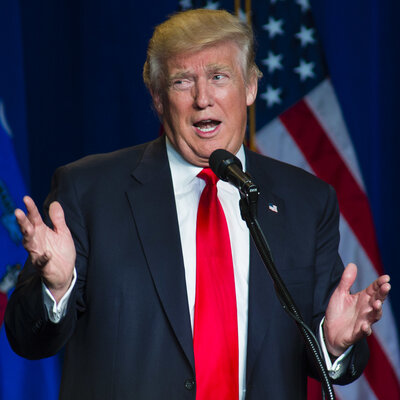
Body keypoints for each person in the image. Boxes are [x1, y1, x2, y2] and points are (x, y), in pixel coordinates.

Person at [5, 9, 390, 400]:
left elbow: (330, 357)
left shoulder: (306, 201)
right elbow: (26, 338)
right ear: (157, 98)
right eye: (182, 81)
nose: (202, 99)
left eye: (219, 77)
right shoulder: (88, 192)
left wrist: (333, 341)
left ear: (251, 87)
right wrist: (56, 289)